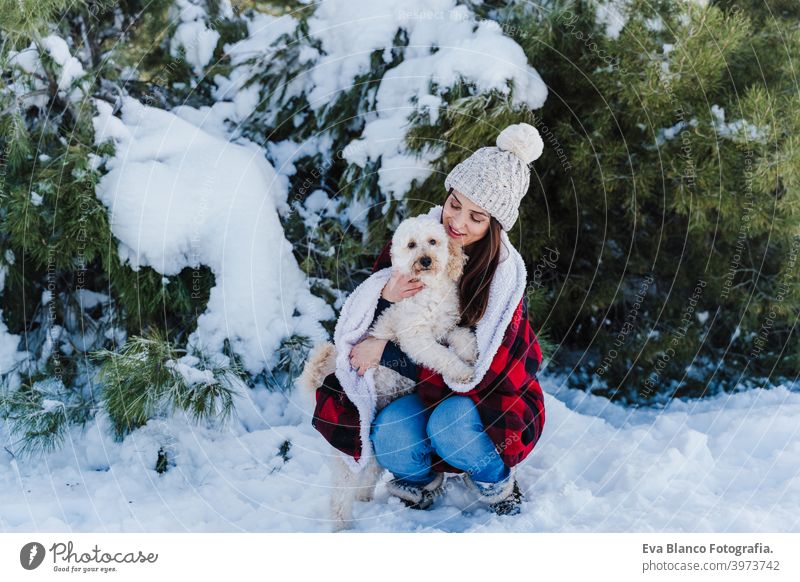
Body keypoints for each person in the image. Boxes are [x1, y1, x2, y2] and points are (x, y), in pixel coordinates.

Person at [312, 123, 547, 516]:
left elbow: (485, 370)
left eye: (477, 216)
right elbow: (369, 315)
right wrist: (384, 295)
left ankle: (494, 480)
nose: (458, 222)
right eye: (455, 204)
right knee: (390, 432)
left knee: (449, 426)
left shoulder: (503, 277)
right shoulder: (418, 239)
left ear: (494, 224)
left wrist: (386, 352)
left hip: (478, 398)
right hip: (420, 390)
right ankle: (421, 480)